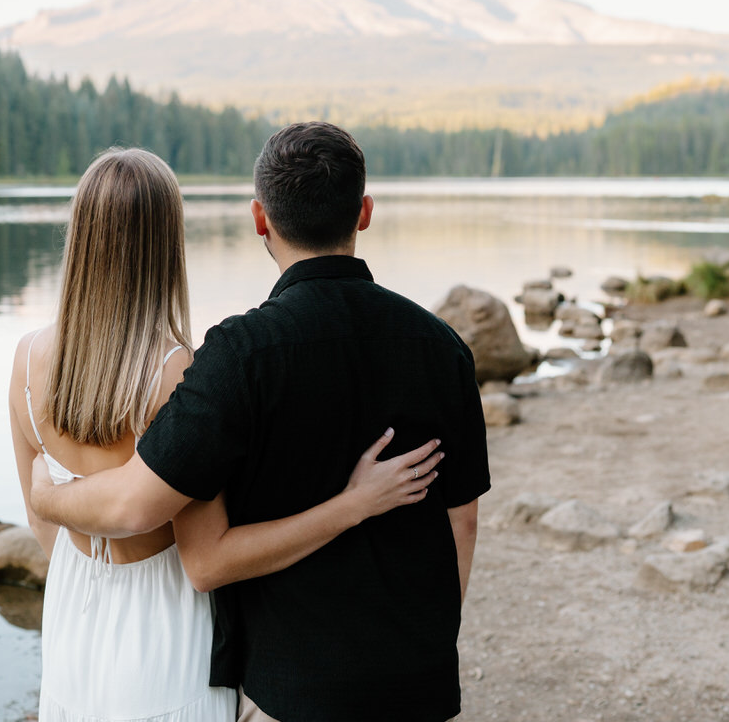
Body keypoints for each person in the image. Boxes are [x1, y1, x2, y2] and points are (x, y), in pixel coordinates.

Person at [30, 123, 491, 722]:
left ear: (259, 218)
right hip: (415, 683)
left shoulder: (237, 357)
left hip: (292, 689)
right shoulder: (441, 346)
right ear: (365, 212)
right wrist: (424, 640)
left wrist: (47, 494)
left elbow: (196, 556)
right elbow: (465, 520)